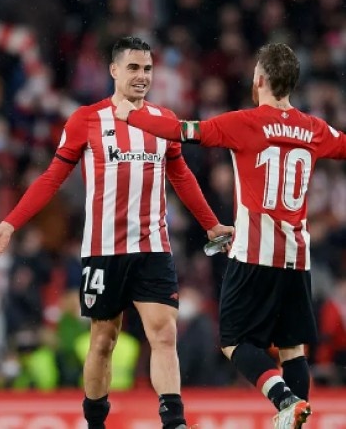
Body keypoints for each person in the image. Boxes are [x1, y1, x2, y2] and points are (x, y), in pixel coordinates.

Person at [0, 37, 232, 429]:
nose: (142, 76)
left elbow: (181, 176)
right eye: (133, 68)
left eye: (147, 69)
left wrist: (212, 224)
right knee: (103, 340)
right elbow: (52, 177)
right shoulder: (86, 120)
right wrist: (10, 224)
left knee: (164, 334)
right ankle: (95, 423)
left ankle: (174, 422)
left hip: (153, 248)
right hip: (103, 251)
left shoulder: (164, 121)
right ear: (113, 70)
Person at [114, 43, 338, 429]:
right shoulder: (314, 128)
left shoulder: (245, 122)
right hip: (296, 257)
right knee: (292, 348)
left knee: (234, 342)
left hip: (253, 254)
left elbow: (181, 131)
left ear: (260, 79)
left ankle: (285, 399)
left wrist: (131, 115)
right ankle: (295, 417)